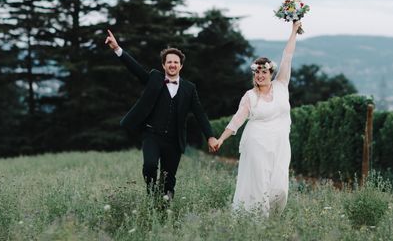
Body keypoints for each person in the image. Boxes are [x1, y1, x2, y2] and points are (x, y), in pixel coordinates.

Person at [105, 29, 218, 200]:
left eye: (176, 62)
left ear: (181, 66)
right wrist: (117, 49)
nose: (172, 65)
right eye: (169, 62)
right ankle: (151, 195)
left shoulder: (189, 88)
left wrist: (210, 136)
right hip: (152, 135)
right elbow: (136, 70)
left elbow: (200, 113)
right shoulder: (154, 78)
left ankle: (165, 209)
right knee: (150, 166)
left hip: (174, 140)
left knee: (168, 179)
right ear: (163, 65)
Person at [214, 20, 301, 215]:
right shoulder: (250, 96)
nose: (260, 75)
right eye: (257, 72)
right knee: (259, 185)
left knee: (279, 188)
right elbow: (237, 120)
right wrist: (221, 138)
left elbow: (287, 56)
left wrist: (294, 30)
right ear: (254, 75)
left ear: (271, 73)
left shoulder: (281, 85)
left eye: (264, 72)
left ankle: (271, 221)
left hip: (279, 145)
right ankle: (257, 225)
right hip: (257, 145)